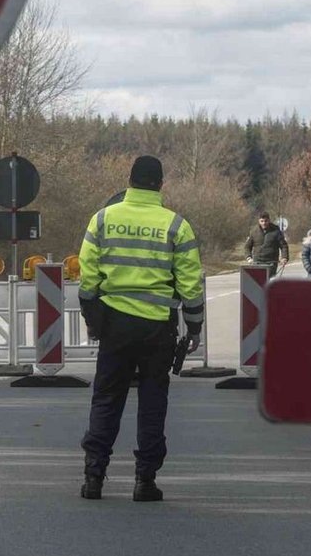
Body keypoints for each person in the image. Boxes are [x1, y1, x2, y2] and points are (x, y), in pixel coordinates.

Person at [77, 155, 204, 502]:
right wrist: (194, 327)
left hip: (115, 324)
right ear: (160, 185)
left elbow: (87, 276)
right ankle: (144, 481)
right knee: (152, 402)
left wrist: (93, 316)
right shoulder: (177, 226)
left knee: (106, 398)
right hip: (157, 328)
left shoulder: (102, 219)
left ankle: (93, 478)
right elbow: (191, 284)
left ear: (129, 181)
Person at [243, 212, 289, 278]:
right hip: (257, 262)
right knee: (258, 282)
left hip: (271, 262)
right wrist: (249, 257)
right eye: (262, 221)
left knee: (269, 283)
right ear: (259, 221)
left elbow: (283, 245)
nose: (264, 223)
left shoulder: (276, 230)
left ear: (269, 220)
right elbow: (247, 246)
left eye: (266, 221)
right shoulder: (254, 231)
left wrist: (284, 257)